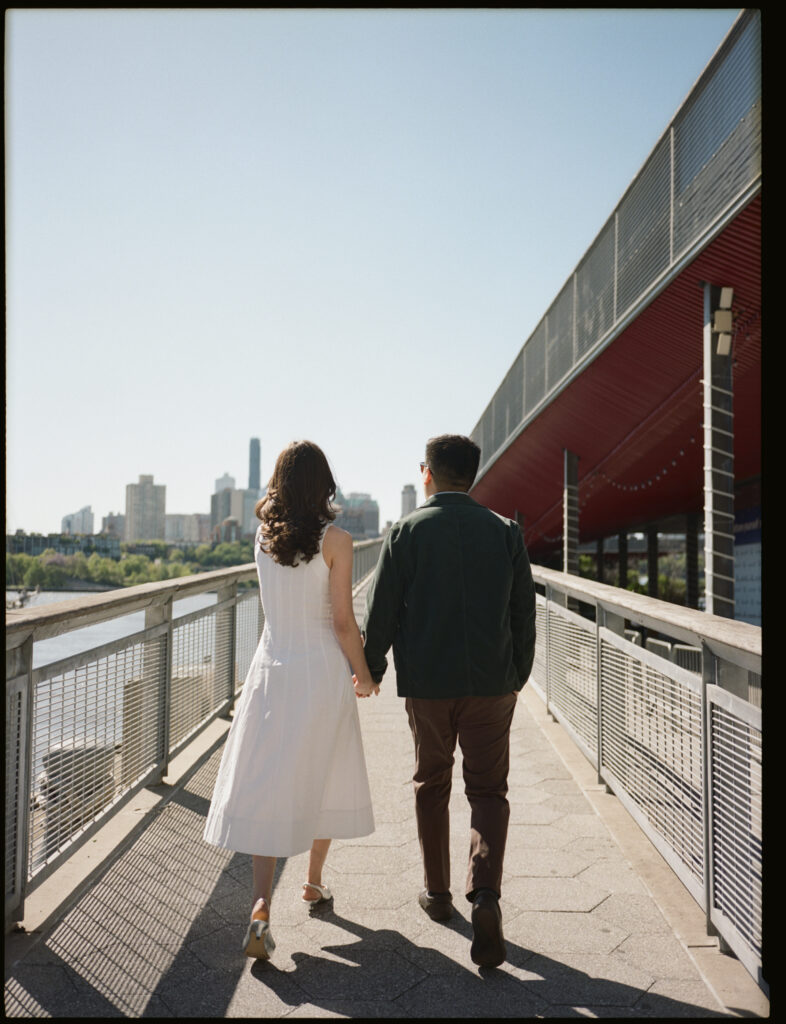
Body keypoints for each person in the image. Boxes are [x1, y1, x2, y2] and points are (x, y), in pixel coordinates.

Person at [361, 434, 536, 969]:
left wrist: (372, 667)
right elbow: (523, 612)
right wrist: (516, 675)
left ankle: (438, 894)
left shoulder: (406, 532)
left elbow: (383, 608)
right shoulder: (505, 531)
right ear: (474, 476)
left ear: (427, 473)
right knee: (488, 790)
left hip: (429, 686)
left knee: (431, 782)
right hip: (490, 684)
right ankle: (484, 895)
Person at [203, 440, 379, 960]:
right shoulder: (338, 541)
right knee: (326, 769)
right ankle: (313, 881)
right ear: (324, 482)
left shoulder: (261, 538)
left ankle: (260, 905)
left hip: (271, 667)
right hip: (322, 669)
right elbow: (344, 623)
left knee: (270, 780)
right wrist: (364, 676)